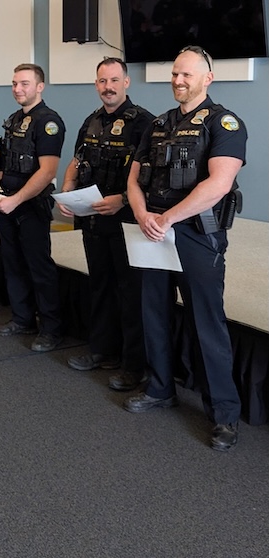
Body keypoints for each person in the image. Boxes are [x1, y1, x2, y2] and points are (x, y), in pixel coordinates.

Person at [123, 46, 247, 452]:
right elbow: (133, 180)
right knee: (153, 313)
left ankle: (224, 412)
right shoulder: (157, 124)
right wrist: (143, 214)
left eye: (187, 74)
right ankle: (160, 388)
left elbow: (219, 184)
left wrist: (168, 218)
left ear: (207, 79)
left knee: (206, 322)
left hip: (195, 234)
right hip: (153, 231)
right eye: (175, 73)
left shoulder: (224, 123)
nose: (178, 80)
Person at [57, 58, 154, 391]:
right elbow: (77, 160)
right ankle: (102, 350)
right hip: (93, 219)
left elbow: (151, 177)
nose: (108, 87)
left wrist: (122, 200)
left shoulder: (144, 123)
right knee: (100, 285)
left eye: (114, 80)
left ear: (126, 82)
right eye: (102, 81)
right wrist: (67, 188)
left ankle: (133, 365)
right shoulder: (91, 121)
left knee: (131, 292)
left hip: (127, 222)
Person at [0, 63, 65, 350]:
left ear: (39, 87)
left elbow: (47, 171)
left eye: (24, 84)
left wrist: (15, 200)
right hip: (6, 203)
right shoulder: (13, 119)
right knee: (13, 262)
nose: (17, 89)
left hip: (30, 206)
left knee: (39, 267)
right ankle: (22, 318)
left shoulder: (48, 122)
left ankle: (51, 328)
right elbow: (5, 162)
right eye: (14, 83)